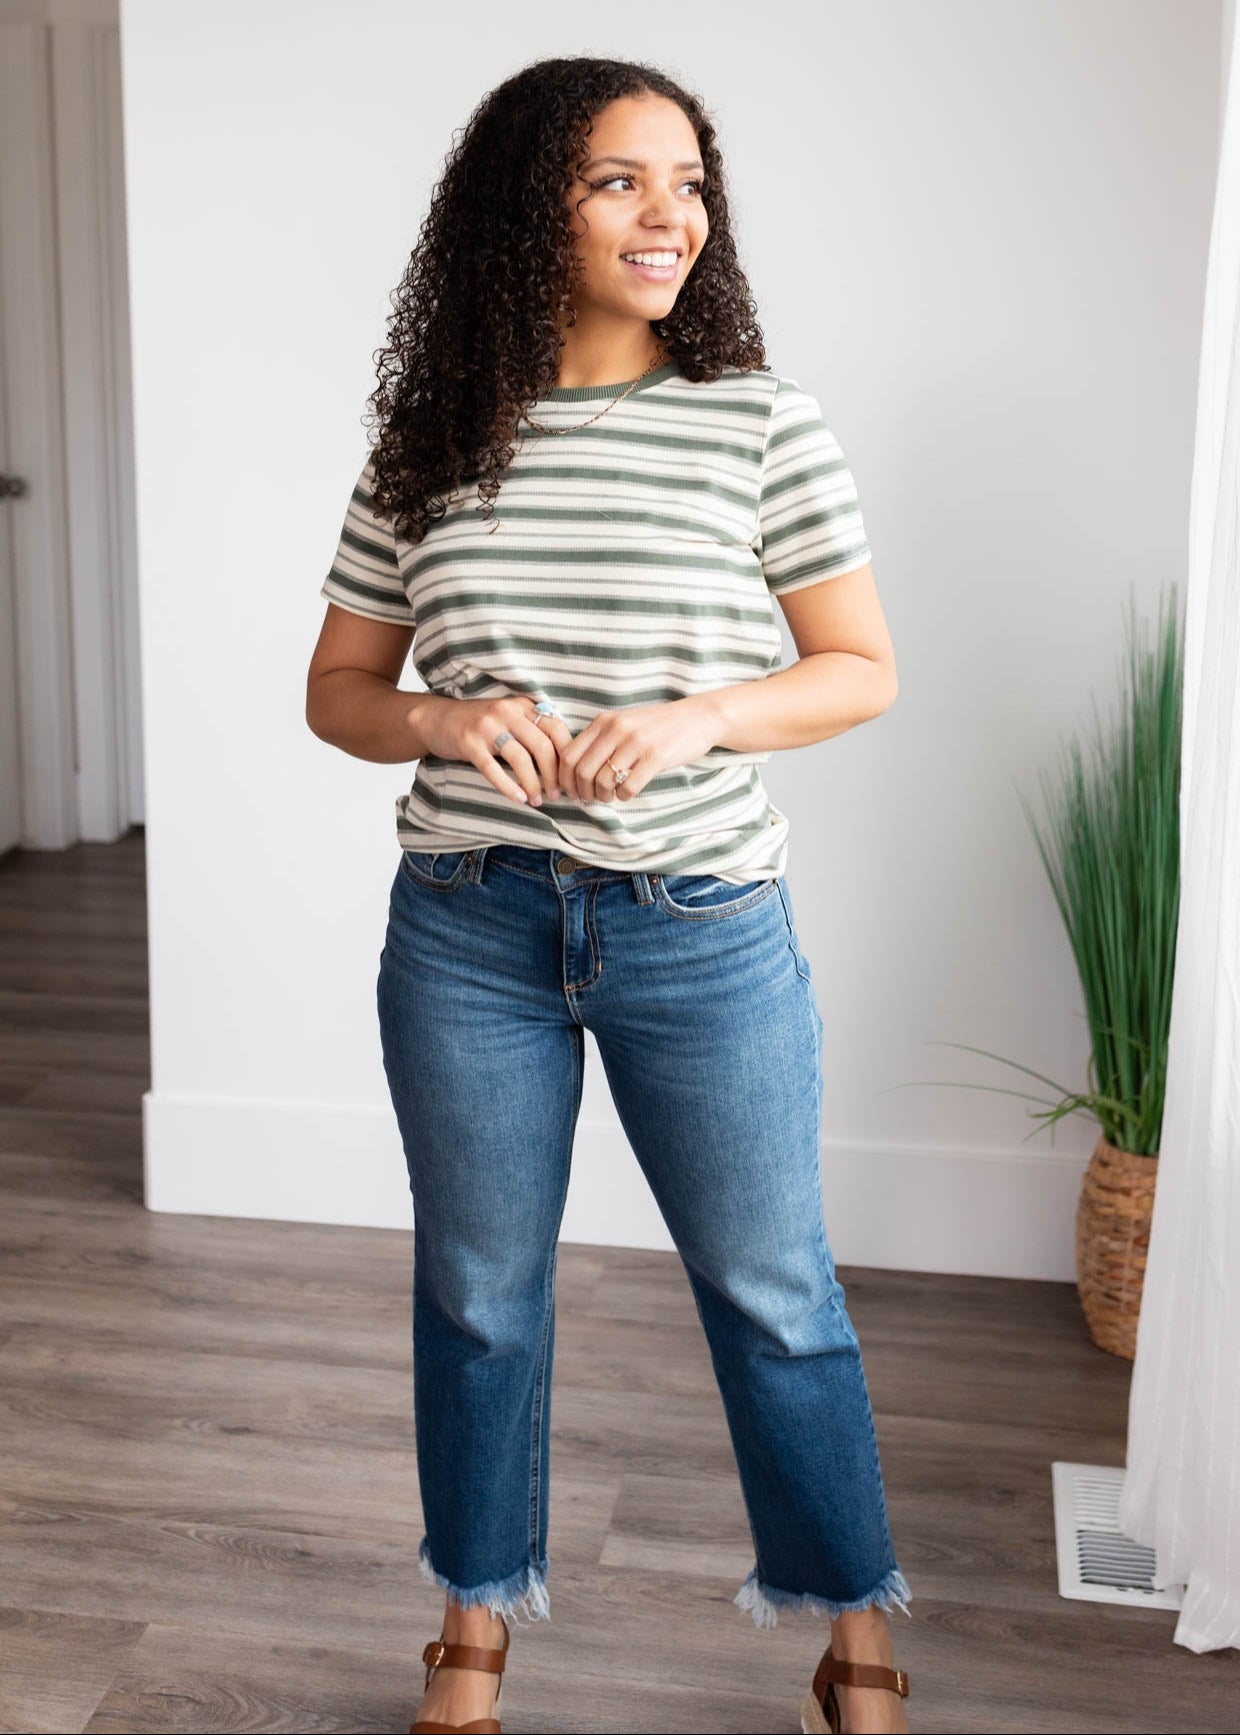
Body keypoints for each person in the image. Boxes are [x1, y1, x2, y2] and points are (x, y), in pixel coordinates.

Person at [306, 54, 912, 1735]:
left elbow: (859, 669)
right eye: (620, 182)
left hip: (700, 925)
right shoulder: (430, 441)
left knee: (774, 1291)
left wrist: (699, 716)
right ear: (527, 210)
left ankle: (857, 1643)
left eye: (691, 183)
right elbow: (340, 691)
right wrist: (439, 715)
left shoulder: (759, 418)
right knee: (480, 1291)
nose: (674, 218)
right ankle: (473, 1632)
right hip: (469, 925)